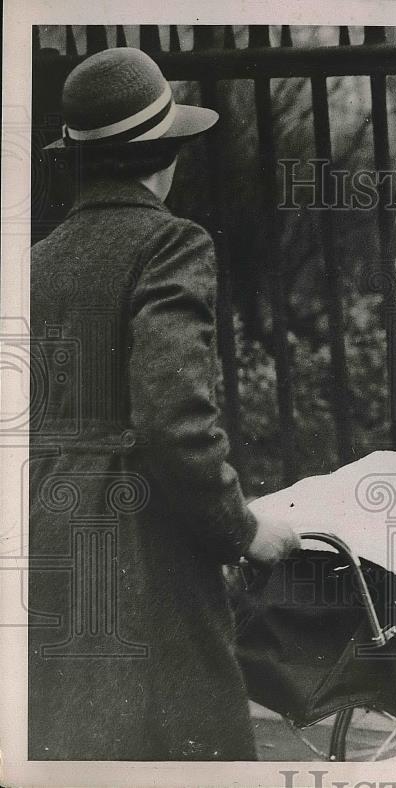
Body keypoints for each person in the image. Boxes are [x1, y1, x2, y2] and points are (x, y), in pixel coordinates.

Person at [29, 47, 300, 760]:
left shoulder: (38, 259)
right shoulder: (171, 243)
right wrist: (242, 531)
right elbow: (175, 422)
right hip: (141, 550)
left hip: (47, 537)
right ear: (164, 156)